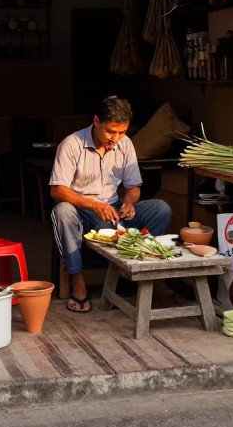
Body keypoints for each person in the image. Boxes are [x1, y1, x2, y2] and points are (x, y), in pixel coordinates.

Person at [50, 96, 172, 313]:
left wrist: (129, 201)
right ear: (96, 121)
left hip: (115, 211)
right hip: (82, 211)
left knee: (160, 208)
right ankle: (77, 281)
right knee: (62, 212)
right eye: (110, 131)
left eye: (122, 132)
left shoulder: (125, 144)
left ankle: (138, 272)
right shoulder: (72, 145)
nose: (115, 138)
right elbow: (57, 190)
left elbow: (134, 186)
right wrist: (94, 206)